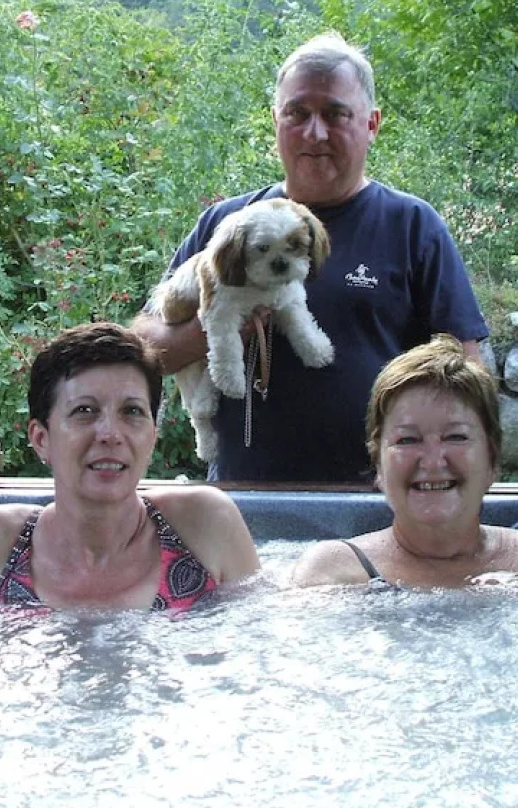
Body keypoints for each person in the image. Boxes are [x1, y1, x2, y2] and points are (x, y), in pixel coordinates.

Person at [133, 32, 490, 483]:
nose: (315, 132)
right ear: (275, 121)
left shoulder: (413, 226)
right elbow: (146, 349)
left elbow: (465, 372)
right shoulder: (228, 225)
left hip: (381, 502)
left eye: (336, 114)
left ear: (372, 124)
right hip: (243, 496)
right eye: (297, 113)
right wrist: (227, 322)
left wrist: (436, 467)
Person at [0, 322, 260, 612]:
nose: (110, 434)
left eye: (131, 411)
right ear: (41, 439)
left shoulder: (206, 527)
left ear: (152, 436)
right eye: (84, 411)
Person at [292, 335, 518, 589]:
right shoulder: (335, 574)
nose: (431, 461)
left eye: (455, 437)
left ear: (493, 459)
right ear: (379, 466)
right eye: (407, 440)